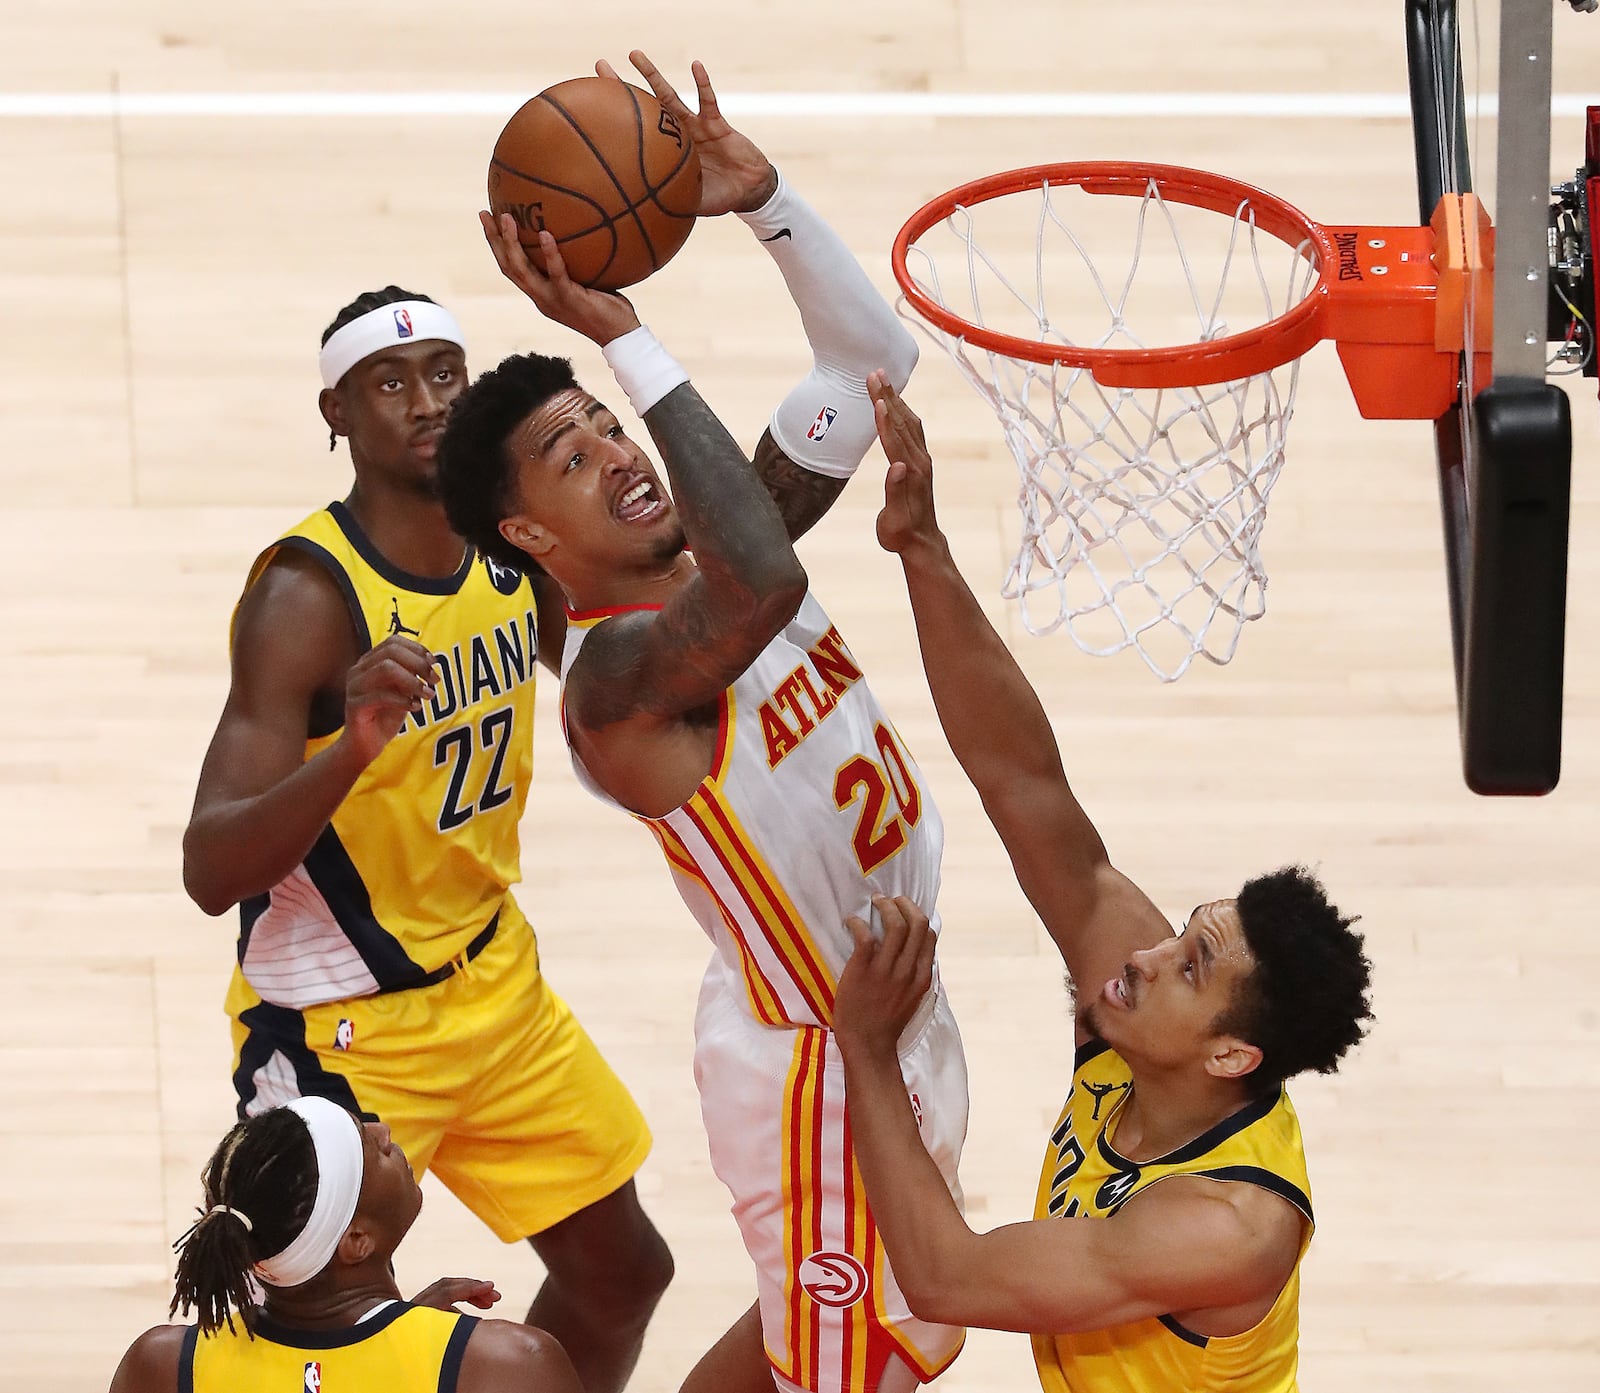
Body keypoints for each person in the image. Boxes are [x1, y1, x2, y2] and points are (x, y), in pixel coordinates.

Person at [436, 51, 966, 1393]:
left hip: (898, 1022)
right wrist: (623, 330)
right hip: (816, 1073)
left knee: (824, 1358)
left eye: (609, 427)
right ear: (524, 534)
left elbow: (872, 361)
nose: (620, 453)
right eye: (574, 458)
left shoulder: (719, 555)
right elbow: (767, 581)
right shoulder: (618, 682)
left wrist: (764, 202)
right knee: (862, 1369)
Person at [830, 380, 1376, 1392]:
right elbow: (1023, 785)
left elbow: (946, 1276)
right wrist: (924, 551)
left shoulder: (1221, 1227)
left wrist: (863, 1043)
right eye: (1187, 932)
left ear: (1231, 1051)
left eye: (1191, 964)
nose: (1146, 952)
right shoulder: (1151, 1013)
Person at [181, 283, 671, 1393]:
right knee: (312, 1349)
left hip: (497, 987)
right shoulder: (308, 595)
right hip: (344, 1034)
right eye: (389, 383)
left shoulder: (510, 551)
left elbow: (654, 627)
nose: (427, 399)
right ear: (335, 414)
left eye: (444, 372)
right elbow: (210, 869)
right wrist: (348, 750)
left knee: (621, 1273)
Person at [108, 1096, 585, 1392]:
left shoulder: (163, 1367)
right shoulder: (505, 1368)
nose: (382, 1132)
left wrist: (401, 1329)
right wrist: (426, 1349)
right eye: (364, 1146)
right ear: (357, 1240)